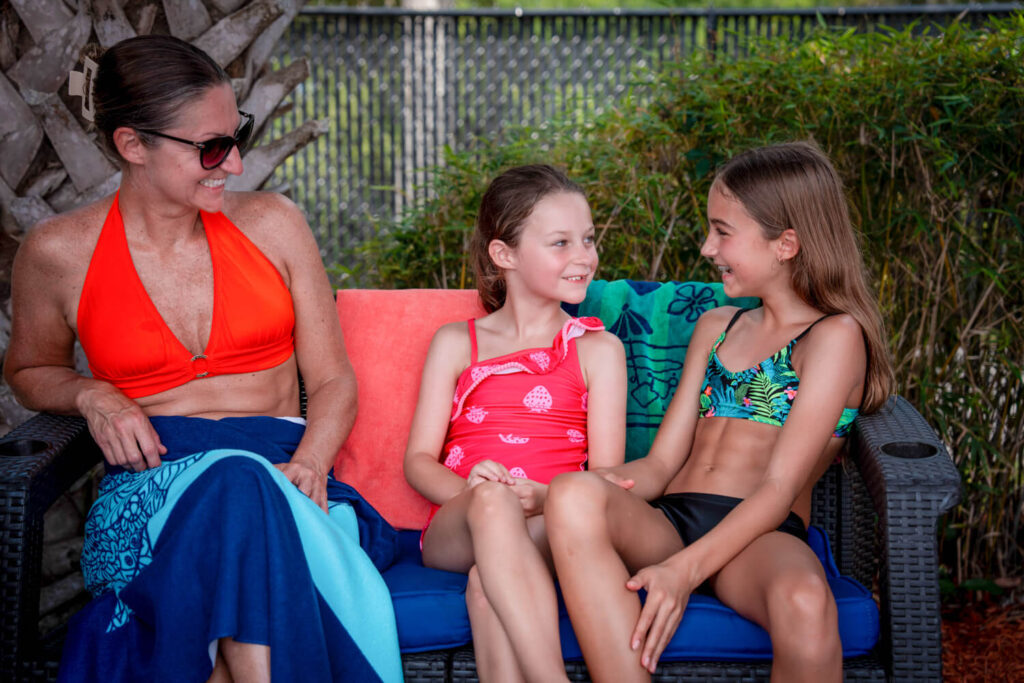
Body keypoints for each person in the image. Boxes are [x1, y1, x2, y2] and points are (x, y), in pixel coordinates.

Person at [3, 35, 401, 683]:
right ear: (134, 145)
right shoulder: (59, 253)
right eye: (212, 148)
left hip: (287, 479)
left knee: (246, 489)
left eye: (236, 134)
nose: (236, 164)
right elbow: (26, 370)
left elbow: (333, 380)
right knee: (236, 487)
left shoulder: (275, 224)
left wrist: (310, 463)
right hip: (150, 497)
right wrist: (91, 394)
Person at [545, 141, 895, 682]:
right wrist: (576, 492)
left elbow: (779, 488)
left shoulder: (833, 337)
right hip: (672, 518)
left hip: (760, 535)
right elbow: (661, 466)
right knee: (572, 492)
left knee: (805, 600)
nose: (708, 248)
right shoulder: (718, 325)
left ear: (786, 244)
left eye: (722, 231)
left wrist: (683, 571)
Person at [403, 164, 627, 682]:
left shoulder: (599, 350)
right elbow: (417, 461)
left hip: (550, 526)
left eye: (588, 240)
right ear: (504, 255)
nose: (584, 257)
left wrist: (547, 497)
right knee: (492, 500)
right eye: (560, 243)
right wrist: (471, 488)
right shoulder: (457, 342)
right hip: (459, 525)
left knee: (487, 585)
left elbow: (608, 475)